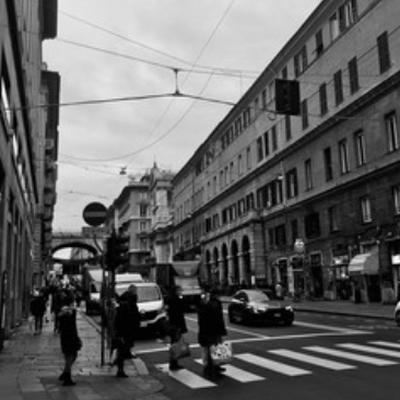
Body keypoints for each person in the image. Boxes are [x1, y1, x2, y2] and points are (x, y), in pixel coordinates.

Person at [197, 287, 227, 378]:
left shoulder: (207, 304)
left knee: (210, 349)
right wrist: (222, 330)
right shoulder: (213, 304)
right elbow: (218, 319)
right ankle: (213, 369)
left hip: (207, 331)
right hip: (212, 330)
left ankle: (211, 368)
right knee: (213, 349)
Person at [113, 284, 140, 377]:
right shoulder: (127, 304)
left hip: (126, 330)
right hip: (126, 330)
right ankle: (120, 369)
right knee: (122, 350)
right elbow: (122, 319)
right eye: (135, 291)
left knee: (122, 349)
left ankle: (120, 366)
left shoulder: (126, 302)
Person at [58, 294, 82, 386]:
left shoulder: (62, 312)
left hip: (64, 336)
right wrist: (76, 337)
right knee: (71, 356)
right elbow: (72, 326)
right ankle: (67, 376)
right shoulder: (71, 312)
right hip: (71, 336)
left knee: (70, 356)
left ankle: (65, 373)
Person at [165, 285, 188, 370]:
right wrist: (182, 299)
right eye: (179, 290)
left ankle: (173, 362)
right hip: (176, 325)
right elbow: (182, 309)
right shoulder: (176, 300)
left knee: (174, 344)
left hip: (173, 324)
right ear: (175, 291)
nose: (181, 292)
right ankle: (173, 363)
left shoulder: (170, 299)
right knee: (175, 344)